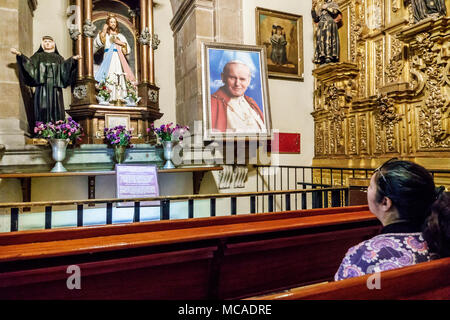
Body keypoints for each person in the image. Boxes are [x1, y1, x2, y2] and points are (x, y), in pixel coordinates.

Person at [335, 159, 450, 281]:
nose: (367, 190)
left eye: (370, 186)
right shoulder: (442, 239)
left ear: (385, 202)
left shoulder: (361, 256)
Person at [11, 36, 81, 124]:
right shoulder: (38, 56)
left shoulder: (58, 58)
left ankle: (57, 129)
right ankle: (42, 129)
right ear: (42, 44)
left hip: (55, 89)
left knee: (56, 108)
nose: (47, 43)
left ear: (53, 44)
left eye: (49, 41)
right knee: (42, 107)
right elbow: (30, 65)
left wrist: (72, 60)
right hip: (42, 88)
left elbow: (64, 69)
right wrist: (20, 55)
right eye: (45, 41)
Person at [210, 60, 265, 133]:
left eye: (242, 79)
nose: (237, 84)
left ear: (248, 81)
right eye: (232, 78)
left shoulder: (251, 103)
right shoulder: (211, 103)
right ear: (223, 78)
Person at [94, 13, 136, 101]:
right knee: (109, 75)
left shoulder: (120, 36)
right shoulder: (105, 35)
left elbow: (127, 50)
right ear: (108, 23)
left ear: (116, 24)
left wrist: (120, 43)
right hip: (108, 59)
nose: (113, 23)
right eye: (111, 22)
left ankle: (120, 96)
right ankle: (108, 96)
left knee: (119, 75)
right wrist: (104, 31)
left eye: (114, 22)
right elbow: (97, 44)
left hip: (118, 58)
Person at [311, 0, 342, 65]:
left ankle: (328, 55)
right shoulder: (321, 7)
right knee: (320, 41)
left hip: (329, 23)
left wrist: (326, 8)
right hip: (321, 25)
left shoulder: (333, 4)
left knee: (328, 38)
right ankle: (322, 56)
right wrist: (313, 10)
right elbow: (316, 19)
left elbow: (335, 12)